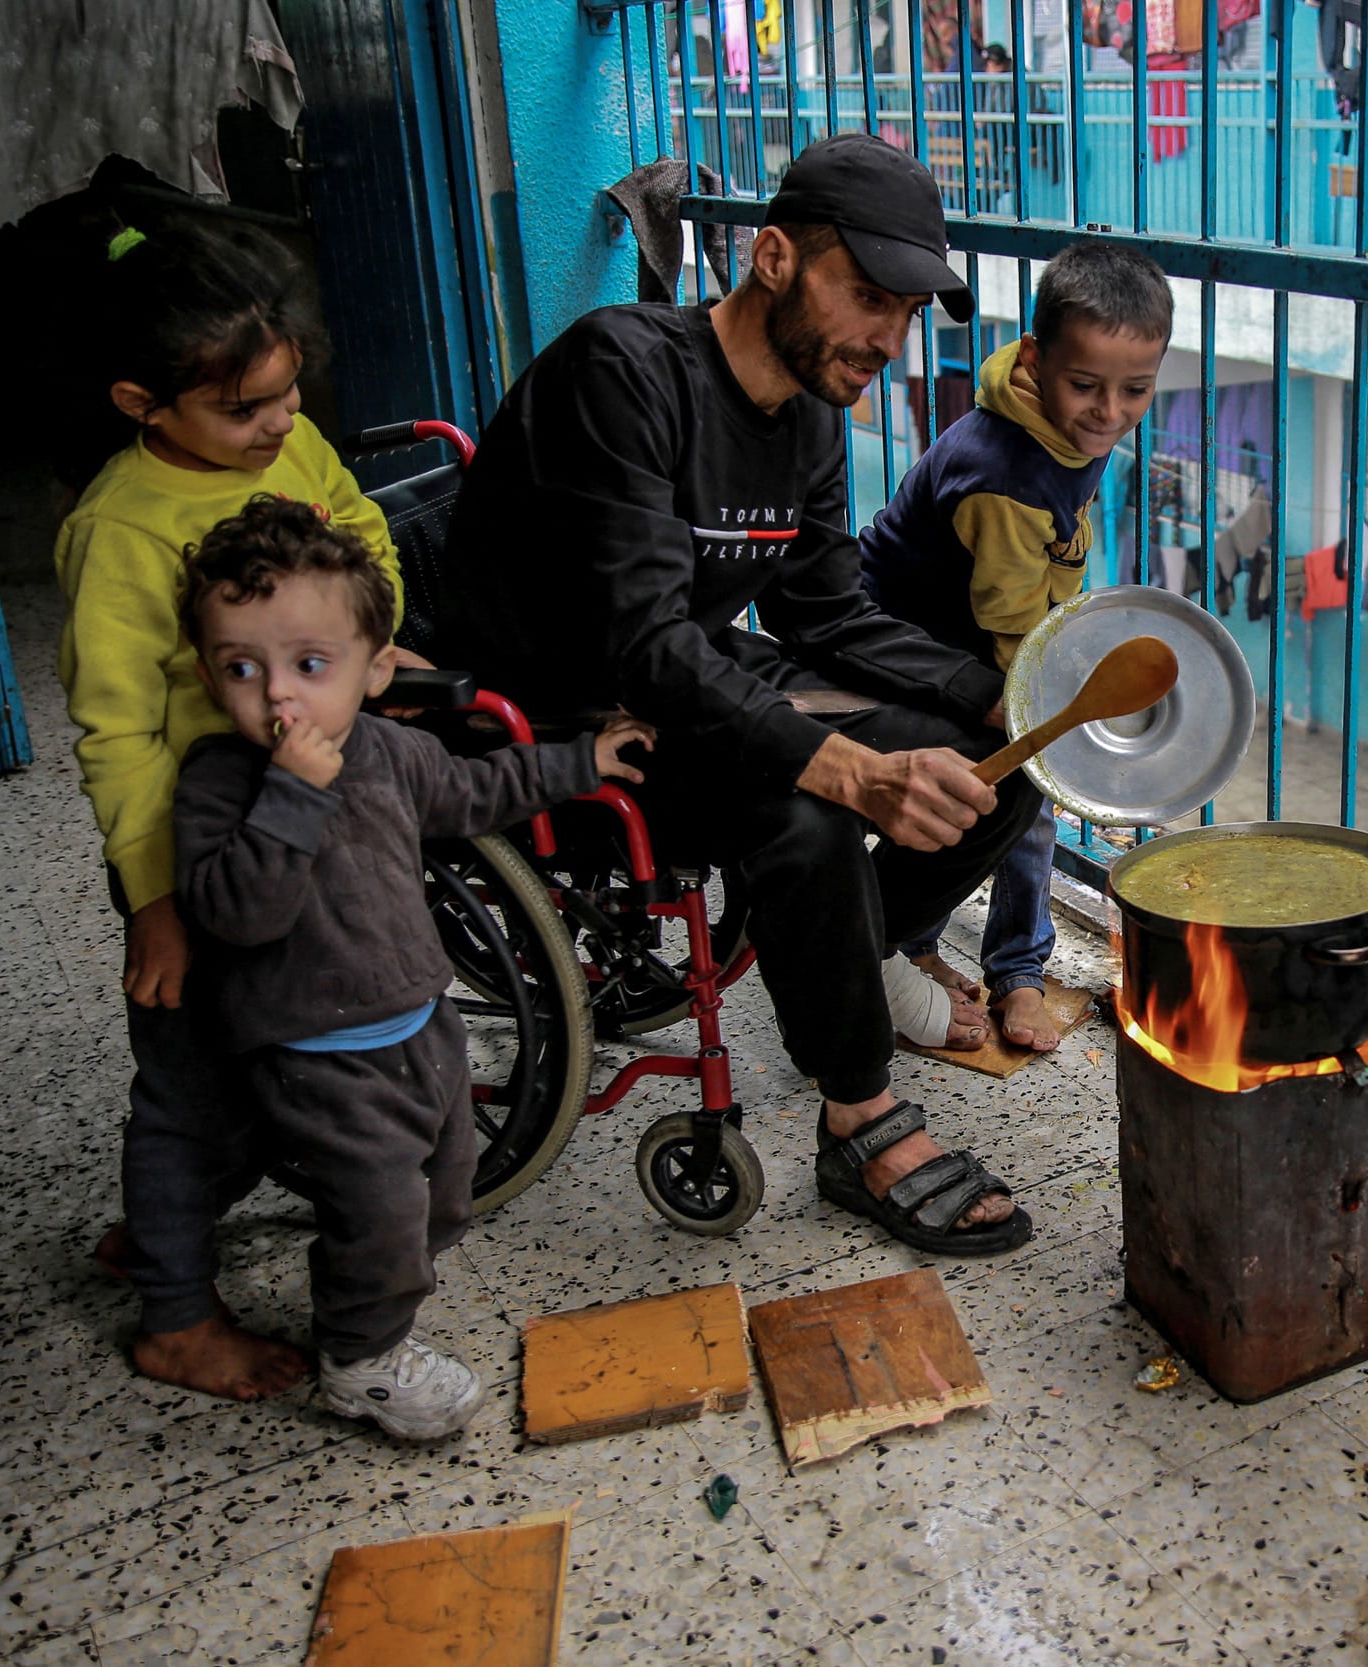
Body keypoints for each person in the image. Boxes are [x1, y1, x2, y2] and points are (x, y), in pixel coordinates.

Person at [441, 134, 1041, 1257]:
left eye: (908, 311)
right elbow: (642, 643)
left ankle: (853, 949)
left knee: (996, 772)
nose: (887, 338)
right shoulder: (619, 372)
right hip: (567, 721)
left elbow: (825, 615)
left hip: (688, 682)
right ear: (771, 256)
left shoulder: (810, 413)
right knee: (806, 813)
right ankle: (860, 1118)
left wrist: (1001, 694)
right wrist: (852, 770)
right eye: (866, 296)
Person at [171, 498, 654, 1439]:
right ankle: (359, 1357)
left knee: (445, 1187)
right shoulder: (217, 783)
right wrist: (289, 799)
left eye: (311, 666)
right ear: (206, 673)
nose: (278, 696)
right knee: (383, 1210)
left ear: (376, 667)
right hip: (317, 1054)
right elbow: (239, 910)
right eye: (243, 668)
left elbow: (480, 791)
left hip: (421, 1023)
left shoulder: (391, 749)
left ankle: (372, 1275)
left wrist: (579, 760)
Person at [53, 218, 413, 1402]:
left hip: (299, 801)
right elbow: (118, 738)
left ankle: (169, 1223)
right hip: (199, 837)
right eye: (246, 408)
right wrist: (157, 905)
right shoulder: (121, 528)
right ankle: (173, 1312)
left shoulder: (291, 440)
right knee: (193, 1076)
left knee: (271, 1037)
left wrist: (361, 638)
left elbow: (358, 530)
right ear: (141, 403)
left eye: (288, 394)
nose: (278, 427)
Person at [860, 240, 1171, 1051]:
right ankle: (985, 962)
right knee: (1021, 794)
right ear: (1034, 360)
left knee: (1009, 800)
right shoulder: (1004, 479)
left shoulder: (1067, 424)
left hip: (980, 625)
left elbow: (1051, 559)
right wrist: (1052, 722)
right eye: (1087, 386)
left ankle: (960, 953)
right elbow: (1010, 624)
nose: (1110, 412)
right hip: (906, 643)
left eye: (1136, 389)